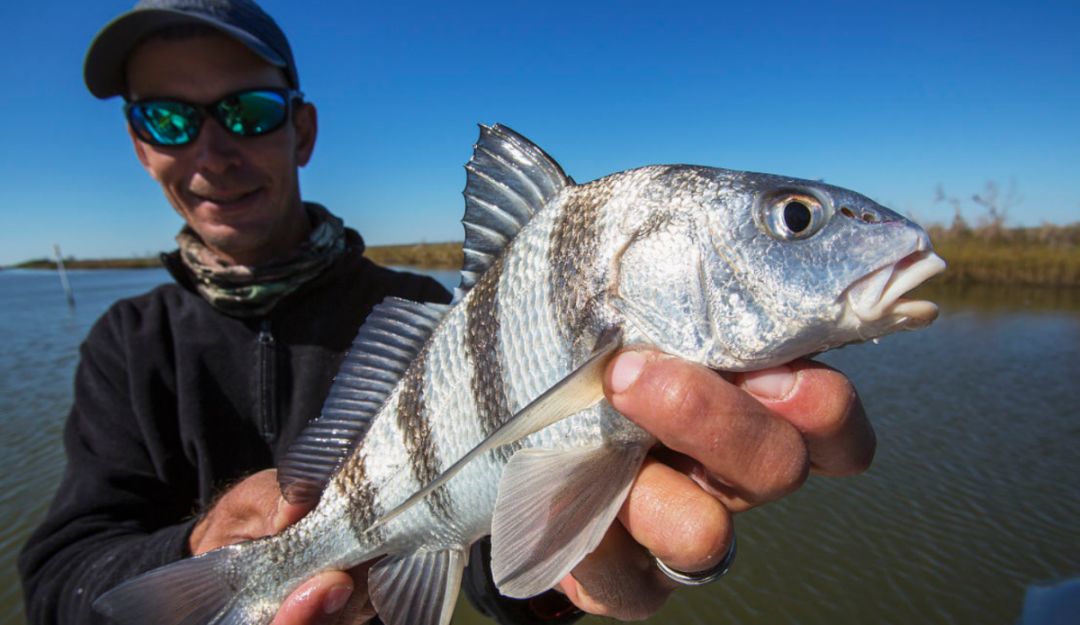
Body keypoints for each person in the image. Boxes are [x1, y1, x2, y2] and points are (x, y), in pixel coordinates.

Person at [18, 1, 877, 624]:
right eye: (167, 117)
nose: (211, 150)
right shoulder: (124, 348)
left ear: (302, 129)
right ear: (139, 144)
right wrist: (203, 547)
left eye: (248, 111)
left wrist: (574, 575)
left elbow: (491, 571)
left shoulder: (417, 312)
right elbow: (59, 578)